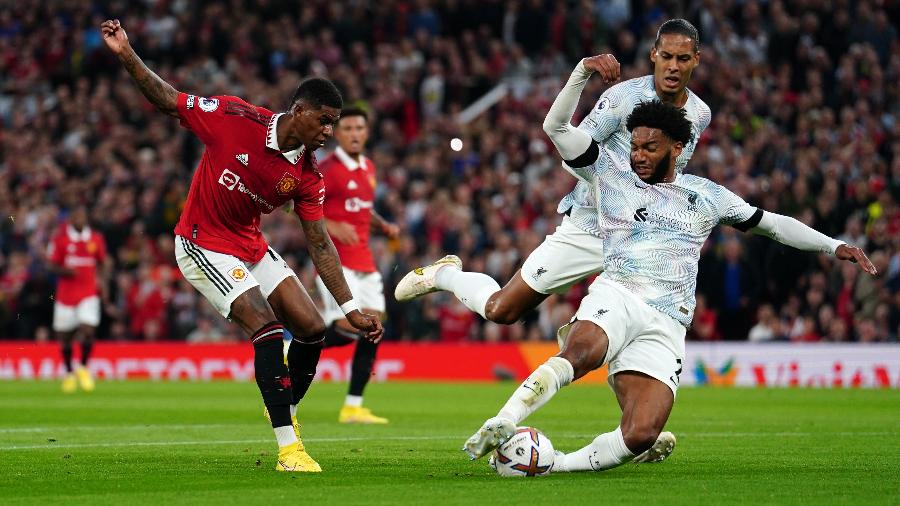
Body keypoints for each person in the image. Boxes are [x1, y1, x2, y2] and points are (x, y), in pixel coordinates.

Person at [461, 92, 876, 472]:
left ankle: (558, 465)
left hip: (668, 321)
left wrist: (832, 245)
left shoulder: (707, 196)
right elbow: (555, 128)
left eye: (649, 147)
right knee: (583, 352)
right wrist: (581, 74)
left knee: (640, 433)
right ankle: (504, 420)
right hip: (618, 292)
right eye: (636, 146)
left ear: (677, 148)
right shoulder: (608, 173)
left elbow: (771, 224)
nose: (638, 156)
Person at [396, 18, 708, 463]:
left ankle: (639, 430)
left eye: (683, 58)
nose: (673, 66)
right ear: (653, 55)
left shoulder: (699, 114)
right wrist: (606, 179)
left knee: (634, 329)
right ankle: (448, 275)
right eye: (667, 56)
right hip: (590, 226)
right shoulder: (621, 97)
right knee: (504, 310)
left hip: (643, 240)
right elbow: (572, 148)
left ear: (695, 61)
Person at [100, 19, 383, 473]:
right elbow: (169, 100)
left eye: (334, 124)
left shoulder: (309, 176)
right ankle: (289, 449)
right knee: (268, 329)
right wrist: (127, 54)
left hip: (249, 245)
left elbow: (321, 244)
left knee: (312, 329)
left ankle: (282, 407)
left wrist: (349, 308)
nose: (329, 132)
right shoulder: (234, 117)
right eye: (325, 121)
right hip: (201, 243)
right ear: (300, 110)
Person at [315, 107, 399, 424]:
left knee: (373, 330)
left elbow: (363, 210)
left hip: (365, 261)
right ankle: (296, 348)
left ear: (366, 132)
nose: (353, 133)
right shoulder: (327, 169)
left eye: (358, 128)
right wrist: (333, 227)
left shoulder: (368, 168)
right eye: (347, 128)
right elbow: (295, 206)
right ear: (337, 133)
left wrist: (384, 225)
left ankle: (353, 406)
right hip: (337, 262)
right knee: (350, 325)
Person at [46, 205, 110, 393]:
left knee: (88, 330)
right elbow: (51, 265)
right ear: (70, 219)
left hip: (88, 294)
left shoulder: (96, 239)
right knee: (65, 338)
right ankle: (68, 373)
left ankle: (82, 367)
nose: (80, 219)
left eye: (83, 215)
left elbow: (103, 262)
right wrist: (65, 271)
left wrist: (103, 283)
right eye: (76, 215)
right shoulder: (61, 240)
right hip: (65, 296)